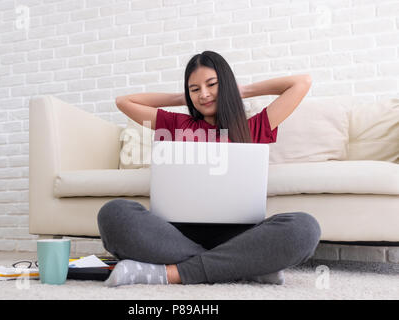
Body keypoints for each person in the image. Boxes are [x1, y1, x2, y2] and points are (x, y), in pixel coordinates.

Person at [98, 51, 321, 287]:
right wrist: (183, 97)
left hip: (239, 235)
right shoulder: (177, 124)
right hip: (177, 234)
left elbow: (301, 82)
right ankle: (244, 266)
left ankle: (172, 274)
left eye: (212, 84)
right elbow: (124, 102)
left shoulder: (252, 127)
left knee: (304, 228)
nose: (204, 94)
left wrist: (240, 90)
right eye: (194, 89)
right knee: (114, 214)